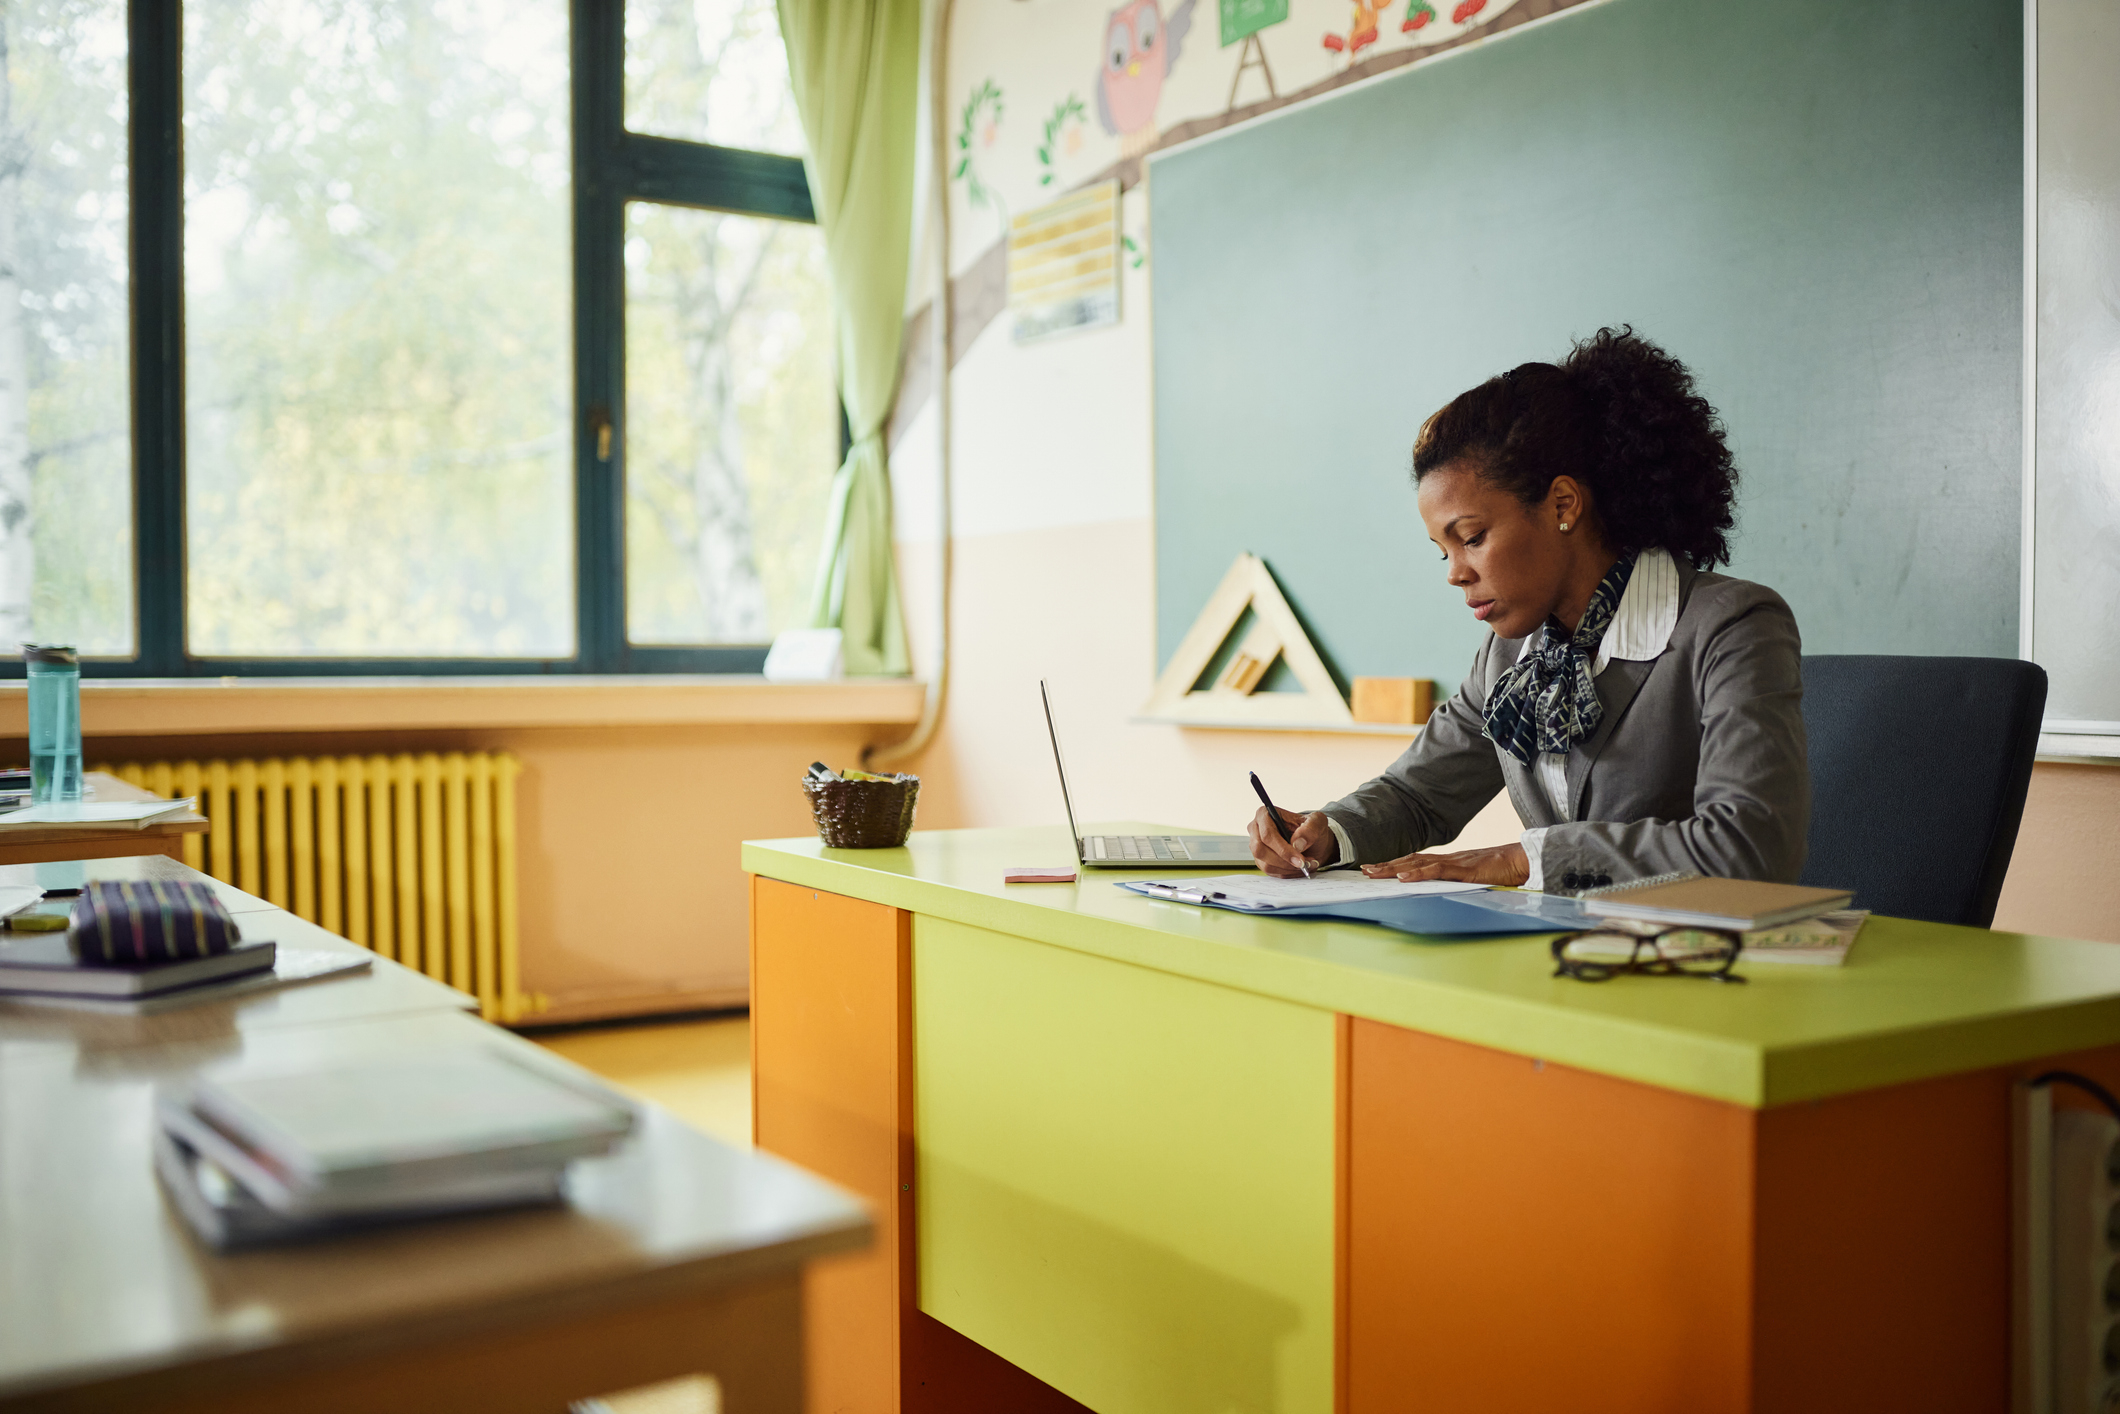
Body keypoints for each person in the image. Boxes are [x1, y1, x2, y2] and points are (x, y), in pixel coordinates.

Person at [1248, 327, 1808, 890]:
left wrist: (1526, 858)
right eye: (1443, 551)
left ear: (1562, 504)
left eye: (1472, 536)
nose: (1455, 573)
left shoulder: (1730, 625)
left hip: (1700, 959)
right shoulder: (1513, 651)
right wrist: (1327, 832)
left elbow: (1751, 845)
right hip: (1559, 953)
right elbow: (1419, 794)